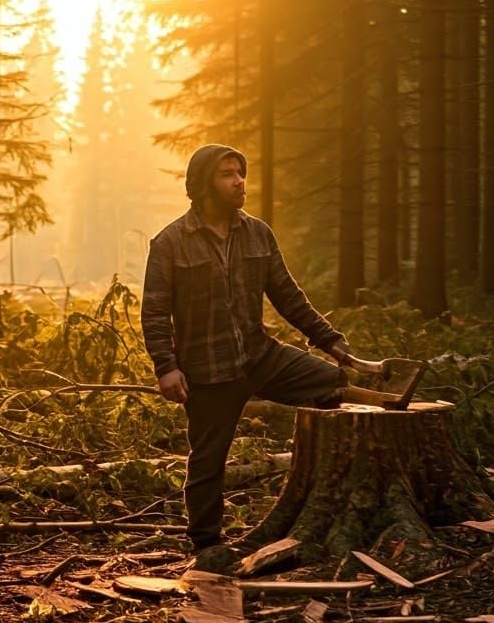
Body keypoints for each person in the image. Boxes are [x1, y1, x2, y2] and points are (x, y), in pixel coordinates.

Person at [141, 144, 351, 564]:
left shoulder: (258, 232)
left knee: (331, 385)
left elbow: (288, 296)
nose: (239, 181)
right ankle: (206, 544)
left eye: (241, 172)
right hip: (208, 371)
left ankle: (325, 498)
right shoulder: (170, 243)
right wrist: (167, 368)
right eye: (227, 174)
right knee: (207, 461)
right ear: (202, 185)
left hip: (262, 357)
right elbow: (155, 311)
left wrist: (328, 339)